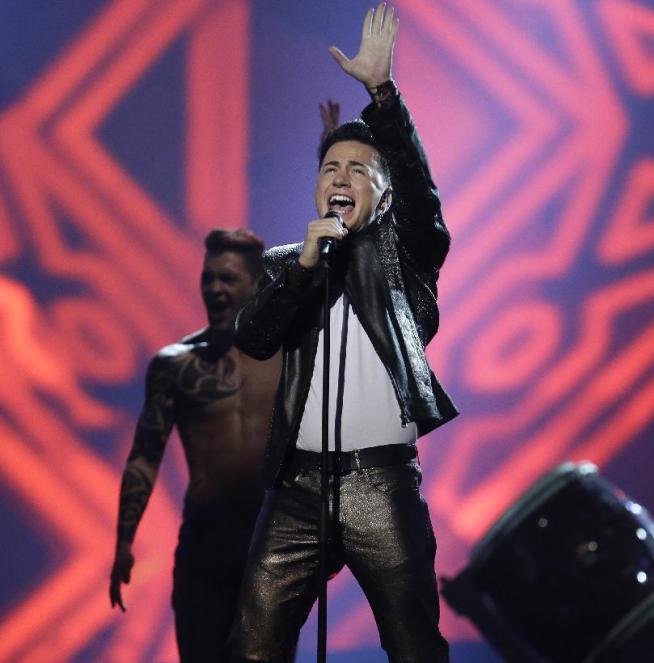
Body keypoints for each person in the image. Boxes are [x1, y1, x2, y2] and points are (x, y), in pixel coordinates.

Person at [226, 4, 458, 662]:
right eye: (331, 169)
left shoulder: (406, 257)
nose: (342, 179)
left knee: (414, 647)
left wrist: (382, 95)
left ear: (382, 195)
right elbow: (255, 337)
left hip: (380, 484)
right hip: (296, 490)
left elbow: (423, 200)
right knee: (253, 648)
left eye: (359, 170)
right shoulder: (289, 263)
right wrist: (301, 271)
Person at [109, 229, 284, 663]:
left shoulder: (289, 354)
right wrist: (124, 543)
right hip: (204, 545)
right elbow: (145, 455)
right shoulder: (175, 365)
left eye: (227, 279)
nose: (214, 289)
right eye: (208, 279)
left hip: (269, 545)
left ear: (256, 282)